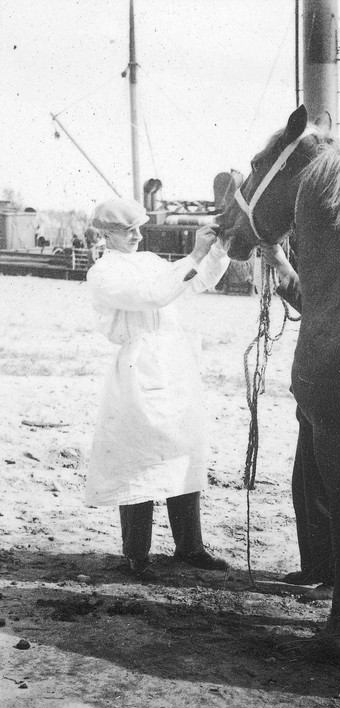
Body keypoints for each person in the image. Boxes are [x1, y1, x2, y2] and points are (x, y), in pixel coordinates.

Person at [84, 197, 231, 578]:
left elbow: (197, 281)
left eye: (138, 227)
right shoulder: (103, 272)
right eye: (126, 229)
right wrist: (193, 254)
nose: (136, 235)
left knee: (182, 452)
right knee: (139, 458)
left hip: (175, 361)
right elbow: (152, 294)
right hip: (138, 366)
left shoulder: (149, 262)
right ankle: (137, 553)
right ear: (105, 233)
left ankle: (190, 546)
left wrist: (218, 248)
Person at [265, 244, 334, 600]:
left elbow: (322, 308)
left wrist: (281, 266)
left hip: (333, 393)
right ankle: (316, 566)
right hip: (314, 391)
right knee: (306, 484)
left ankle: (332, 575)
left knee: (322, 485)